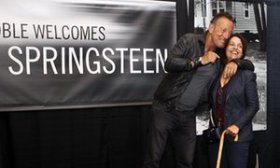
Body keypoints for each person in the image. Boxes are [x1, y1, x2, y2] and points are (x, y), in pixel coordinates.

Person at [142, 12, 254, 168]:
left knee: (186, 162)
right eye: (222, 30)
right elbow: (169, 63)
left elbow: (249, 65)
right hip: (165, 109)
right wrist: (199, 60)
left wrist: (237, 64)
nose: (225, 35)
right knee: (152, 160)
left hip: (188, 116)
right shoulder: (190, 40)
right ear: (211, 27)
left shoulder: (220, 57)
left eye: (229, 32)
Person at [208, 34, 259, 168]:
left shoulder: (246, 75)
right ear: (225, 48)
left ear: (242, 52)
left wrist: (237, 125)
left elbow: (253, 106)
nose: (235, 48)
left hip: (238, 137)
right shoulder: (217, 72)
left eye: (240, 46)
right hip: (218, 137)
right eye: (232, 44)